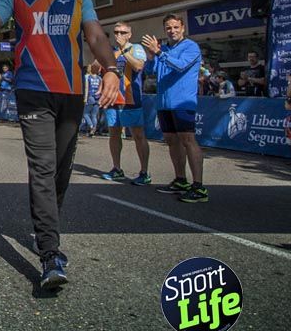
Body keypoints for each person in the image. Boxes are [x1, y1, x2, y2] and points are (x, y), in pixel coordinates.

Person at [0, 0, 120, 289]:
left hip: (71, 93)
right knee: (41, 169)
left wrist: (113, 70)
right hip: (32, 92)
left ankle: (45, 229)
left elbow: (97, 37)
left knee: (58, 174)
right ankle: (51, 255)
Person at [141, 14, 207, 203]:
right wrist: (152, 56)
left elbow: (180, 66)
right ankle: (180, 180)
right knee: (171, 140)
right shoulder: (165, 48)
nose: (172, 31)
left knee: (188, 140)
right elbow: (150, 71)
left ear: (183, 28)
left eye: (176, 27)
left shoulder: (191, 47)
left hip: (183, 102)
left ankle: (199, 186)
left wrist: (160, 53)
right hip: (164, 102)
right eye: (169, 28)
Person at [101, 21, 152, 185]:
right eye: (116, 32)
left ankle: (144, 172)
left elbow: (138, 67)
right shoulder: (111, 51)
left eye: (123, 33)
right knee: (114, 133)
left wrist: (124, 50)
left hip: (131, 98)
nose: (119, 35)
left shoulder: (136, 48)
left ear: (129, 34)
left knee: (138, 135)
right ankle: (117, 169)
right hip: (113, 98)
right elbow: (97, 69)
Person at [82, 63, 102, 138]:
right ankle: (93, 129)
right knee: (94, 115)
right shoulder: (100, 78)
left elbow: (86, 88)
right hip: (97, 97)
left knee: (85, 114)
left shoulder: (87, 77)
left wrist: (85, 99)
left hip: (90, 97)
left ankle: (91, 126)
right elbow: (100, 89)